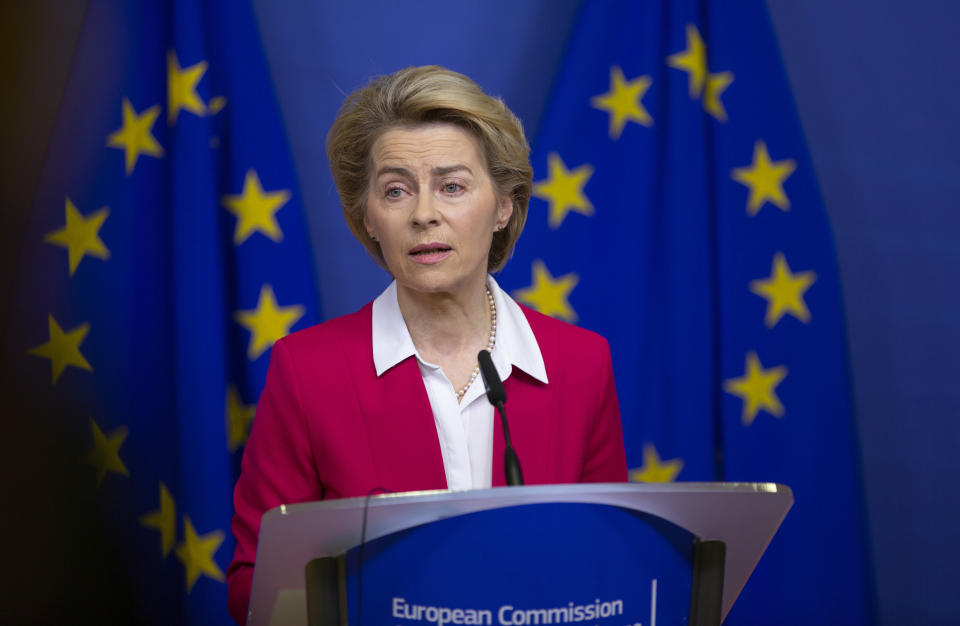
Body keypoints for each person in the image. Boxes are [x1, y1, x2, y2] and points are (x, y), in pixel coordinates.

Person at [226, 65, 627, 624]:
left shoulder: (581, 363)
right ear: (368, 217)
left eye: (452, 186)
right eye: (395, 191)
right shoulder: (307, 371)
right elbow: (254, 585)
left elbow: (612, 564)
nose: (423, 214)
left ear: (504, 205)